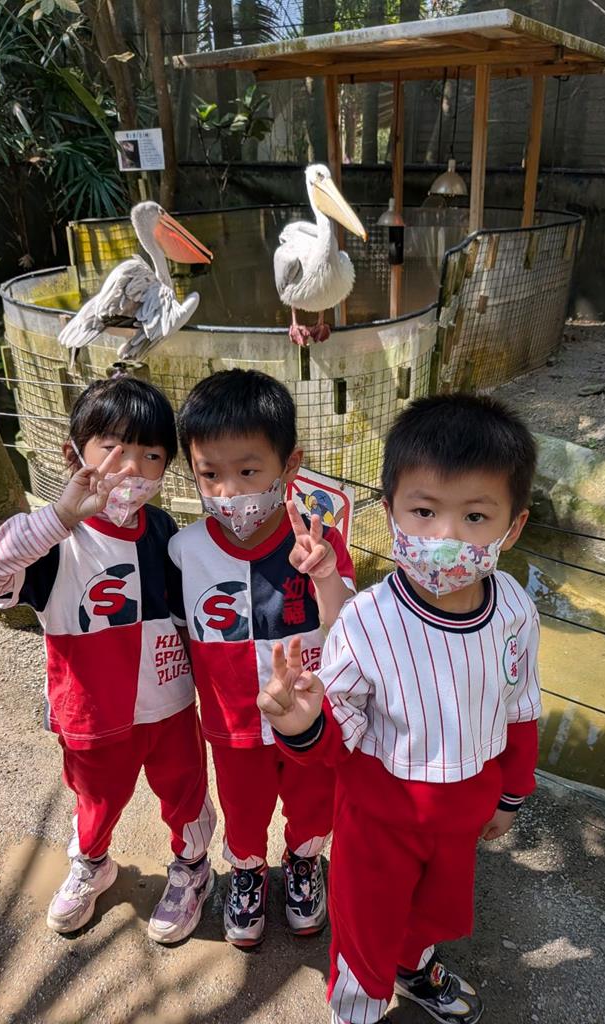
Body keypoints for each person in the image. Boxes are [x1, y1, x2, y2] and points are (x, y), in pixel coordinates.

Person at [258, 393, 542, 1024]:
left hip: (463, 813)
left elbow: (520, 708)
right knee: (365, 926)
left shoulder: (515, 611)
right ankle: (356, 1007)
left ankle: (414, 968)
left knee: (434, 910)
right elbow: (340, 729)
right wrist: (303, 724)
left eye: (475, 516)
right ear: (389, 513)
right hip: (378, 818)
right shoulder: (367, 619)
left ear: (513, 526)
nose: (445, 537)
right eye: (424, 511)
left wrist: (510, 795)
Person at [0, 376, 216, 943]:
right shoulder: (51, 542)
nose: (133, 468)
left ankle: (193, 867)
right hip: (91, 713)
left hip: (171, 705)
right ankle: (92, 863)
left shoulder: (166, 531)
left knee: (185, 793)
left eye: (152, 455)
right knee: (95, 802)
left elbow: (190, 614)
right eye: (113, 449)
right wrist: (57, 518)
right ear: (74, 452)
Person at [170, 368, 355, 947]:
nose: (229, 492)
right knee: (243, 807)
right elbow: (178, 631)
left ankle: (303, 860)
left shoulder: (320, 542)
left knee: (313, 800)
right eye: (210, 474)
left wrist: (325, 573)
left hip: (307, 716)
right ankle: (247, 870)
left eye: (248, 472)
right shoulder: (184, 549)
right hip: (232, 722)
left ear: (289, 466)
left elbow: (346, 624)